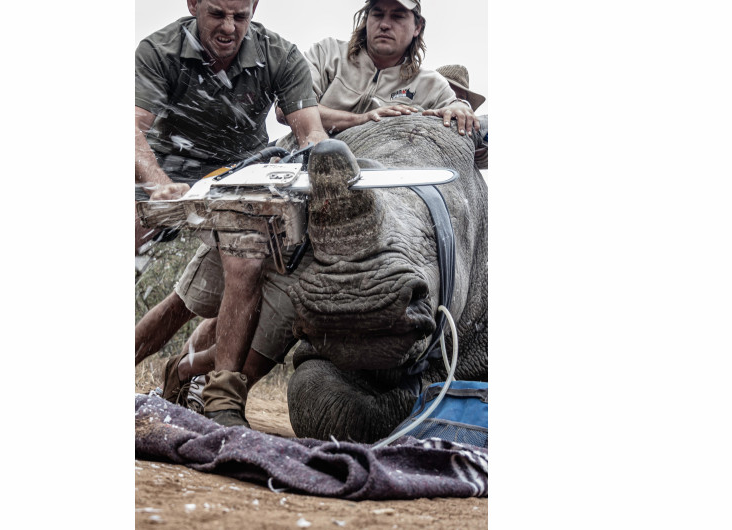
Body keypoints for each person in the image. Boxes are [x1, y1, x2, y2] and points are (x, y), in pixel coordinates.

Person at [134, 0, 329, 427]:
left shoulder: (280, 54)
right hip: (167, 164)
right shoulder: (158, 49)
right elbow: (131, 127)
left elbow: (310, 132)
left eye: (241, 16)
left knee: (246, 259)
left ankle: (222, 400)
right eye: (217, 14)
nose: (229, 27)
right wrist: (156, 181)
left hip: (242, 171)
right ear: (192, 4)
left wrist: (317, 168)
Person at [277, 0, 480, 138]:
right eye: (377, 14)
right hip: (300, 166)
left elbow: (456, 111)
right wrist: (362, 120)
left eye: (398, 16)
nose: (384, 24)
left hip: (385, 186)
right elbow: (286, 109)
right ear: (367, 20)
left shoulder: (431, 84)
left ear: (418, 27)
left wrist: (460, 107)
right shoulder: (327, 53)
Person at [435, 64, 488, 169]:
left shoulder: (474, 128)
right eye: (446, 94)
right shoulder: (408, 114)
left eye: (460, 99)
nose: (454, 101)